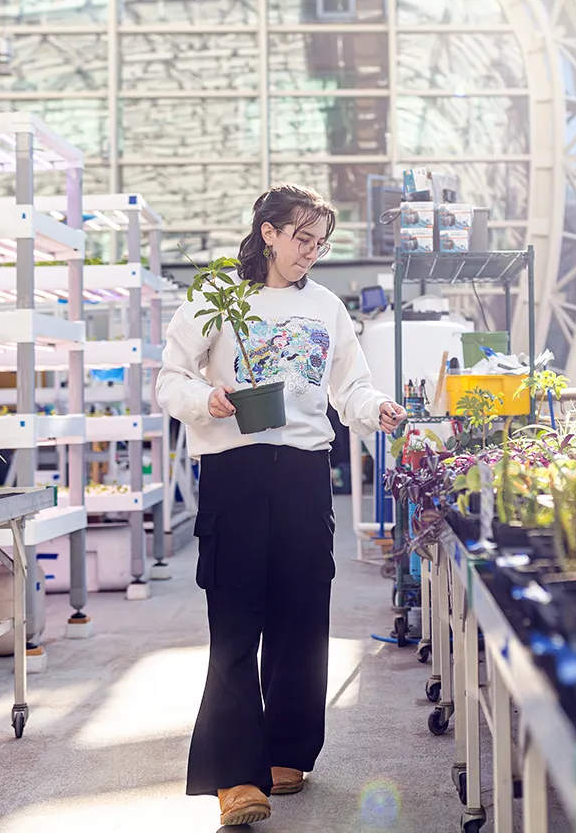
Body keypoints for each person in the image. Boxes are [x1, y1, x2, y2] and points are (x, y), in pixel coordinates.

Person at [156, 184, 406, 827]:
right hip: (233, 472)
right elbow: (169, 380)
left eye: (320, 243)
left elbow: (349, 385)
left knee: (301, 616)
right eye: (302, 238)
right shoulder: (216, 300)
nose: (311, 253)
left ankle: (289, 751)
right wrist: (205, 401)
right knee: (236, 622)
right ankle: (235, 777)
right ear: (268, 232)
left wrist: (374, 409)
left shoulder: (325, 306)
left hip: (303, 472)